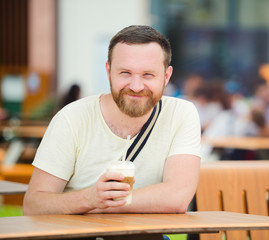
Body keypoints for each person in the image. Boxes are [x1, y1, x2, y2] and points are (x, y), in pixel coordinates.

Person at [23, 25, 201, 215]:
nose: (136, 86)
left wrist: (101, 203)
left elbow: (177, 197)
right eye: (125, 73)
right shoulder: (72, 118)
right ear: (108, 71)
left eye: (148, 75)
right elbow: (34, 206)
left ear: (166, 76)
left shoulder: (181, 113)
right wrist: (89, 198)